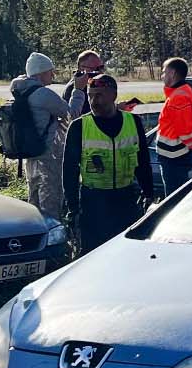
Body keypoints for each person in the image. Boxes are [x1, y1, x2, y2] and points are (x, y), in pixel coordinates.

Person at [62, 73, 154, 254]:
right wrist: (73, 207)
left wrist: (148, 193)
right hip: (93, 203)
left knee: (126, 254)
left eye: (99, 95)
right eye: (90, 95)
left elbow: (143, 162)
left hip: (126, 200)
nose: (94, 101)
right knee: (93, 256)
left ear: (113, 95)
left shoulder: (133, 122)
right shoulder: (79, 127)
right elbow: (69, 171)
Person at [9, 52, 70, 221]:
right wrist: (78, 90)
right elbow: (71, 113)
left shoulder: (19, 91)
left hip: (31, 152)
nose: (53, 74)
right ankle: (53, 234)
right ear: (41, 72)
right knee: (51, 195)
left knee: (34, 195)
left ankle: (34, 228)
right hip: (48, 153)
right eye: (51, 71)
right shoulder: (43, 94)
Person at [153, 56, 192, 194]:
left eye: (164, 72)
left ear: (172, 73)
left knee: (173, 197)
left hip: (174, 156)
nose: (162, 76)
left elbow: (184, 129)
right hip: (175, 155)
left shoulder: (178, 97)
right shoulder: (181, 93)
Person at [60, 49, 106, 119]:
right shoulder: (73, 88)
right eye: (96, 69)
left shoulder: (91, 84)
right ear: (82, 69)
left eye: (101, 67)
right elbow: (75, 117)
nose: (100, 72)